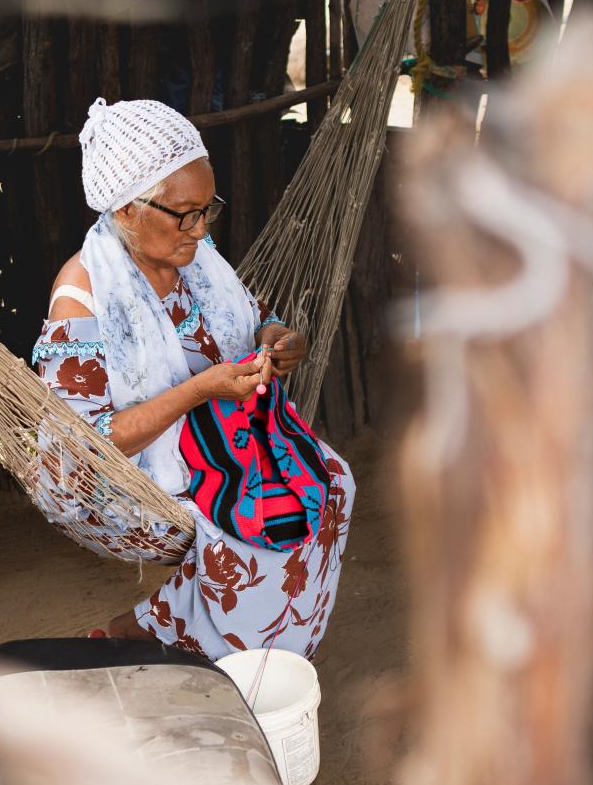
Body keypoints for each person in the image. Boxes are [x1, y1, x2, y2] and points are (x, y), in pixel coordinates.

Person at [32, 97, 354, 661]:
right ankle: (232, 663)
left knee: (331, 485)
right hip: (131, 481)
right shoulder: (81, 298)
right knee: (259, 537)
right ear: (127, 208)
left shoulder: (193, 254)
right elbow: (82, 450)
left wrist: (277, 340)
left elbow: (253, 318)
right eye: (185, 213)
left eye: (208, 209)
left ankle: (158, 628)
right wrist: (203, 390)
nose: (201, 228)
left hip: (216, 439)